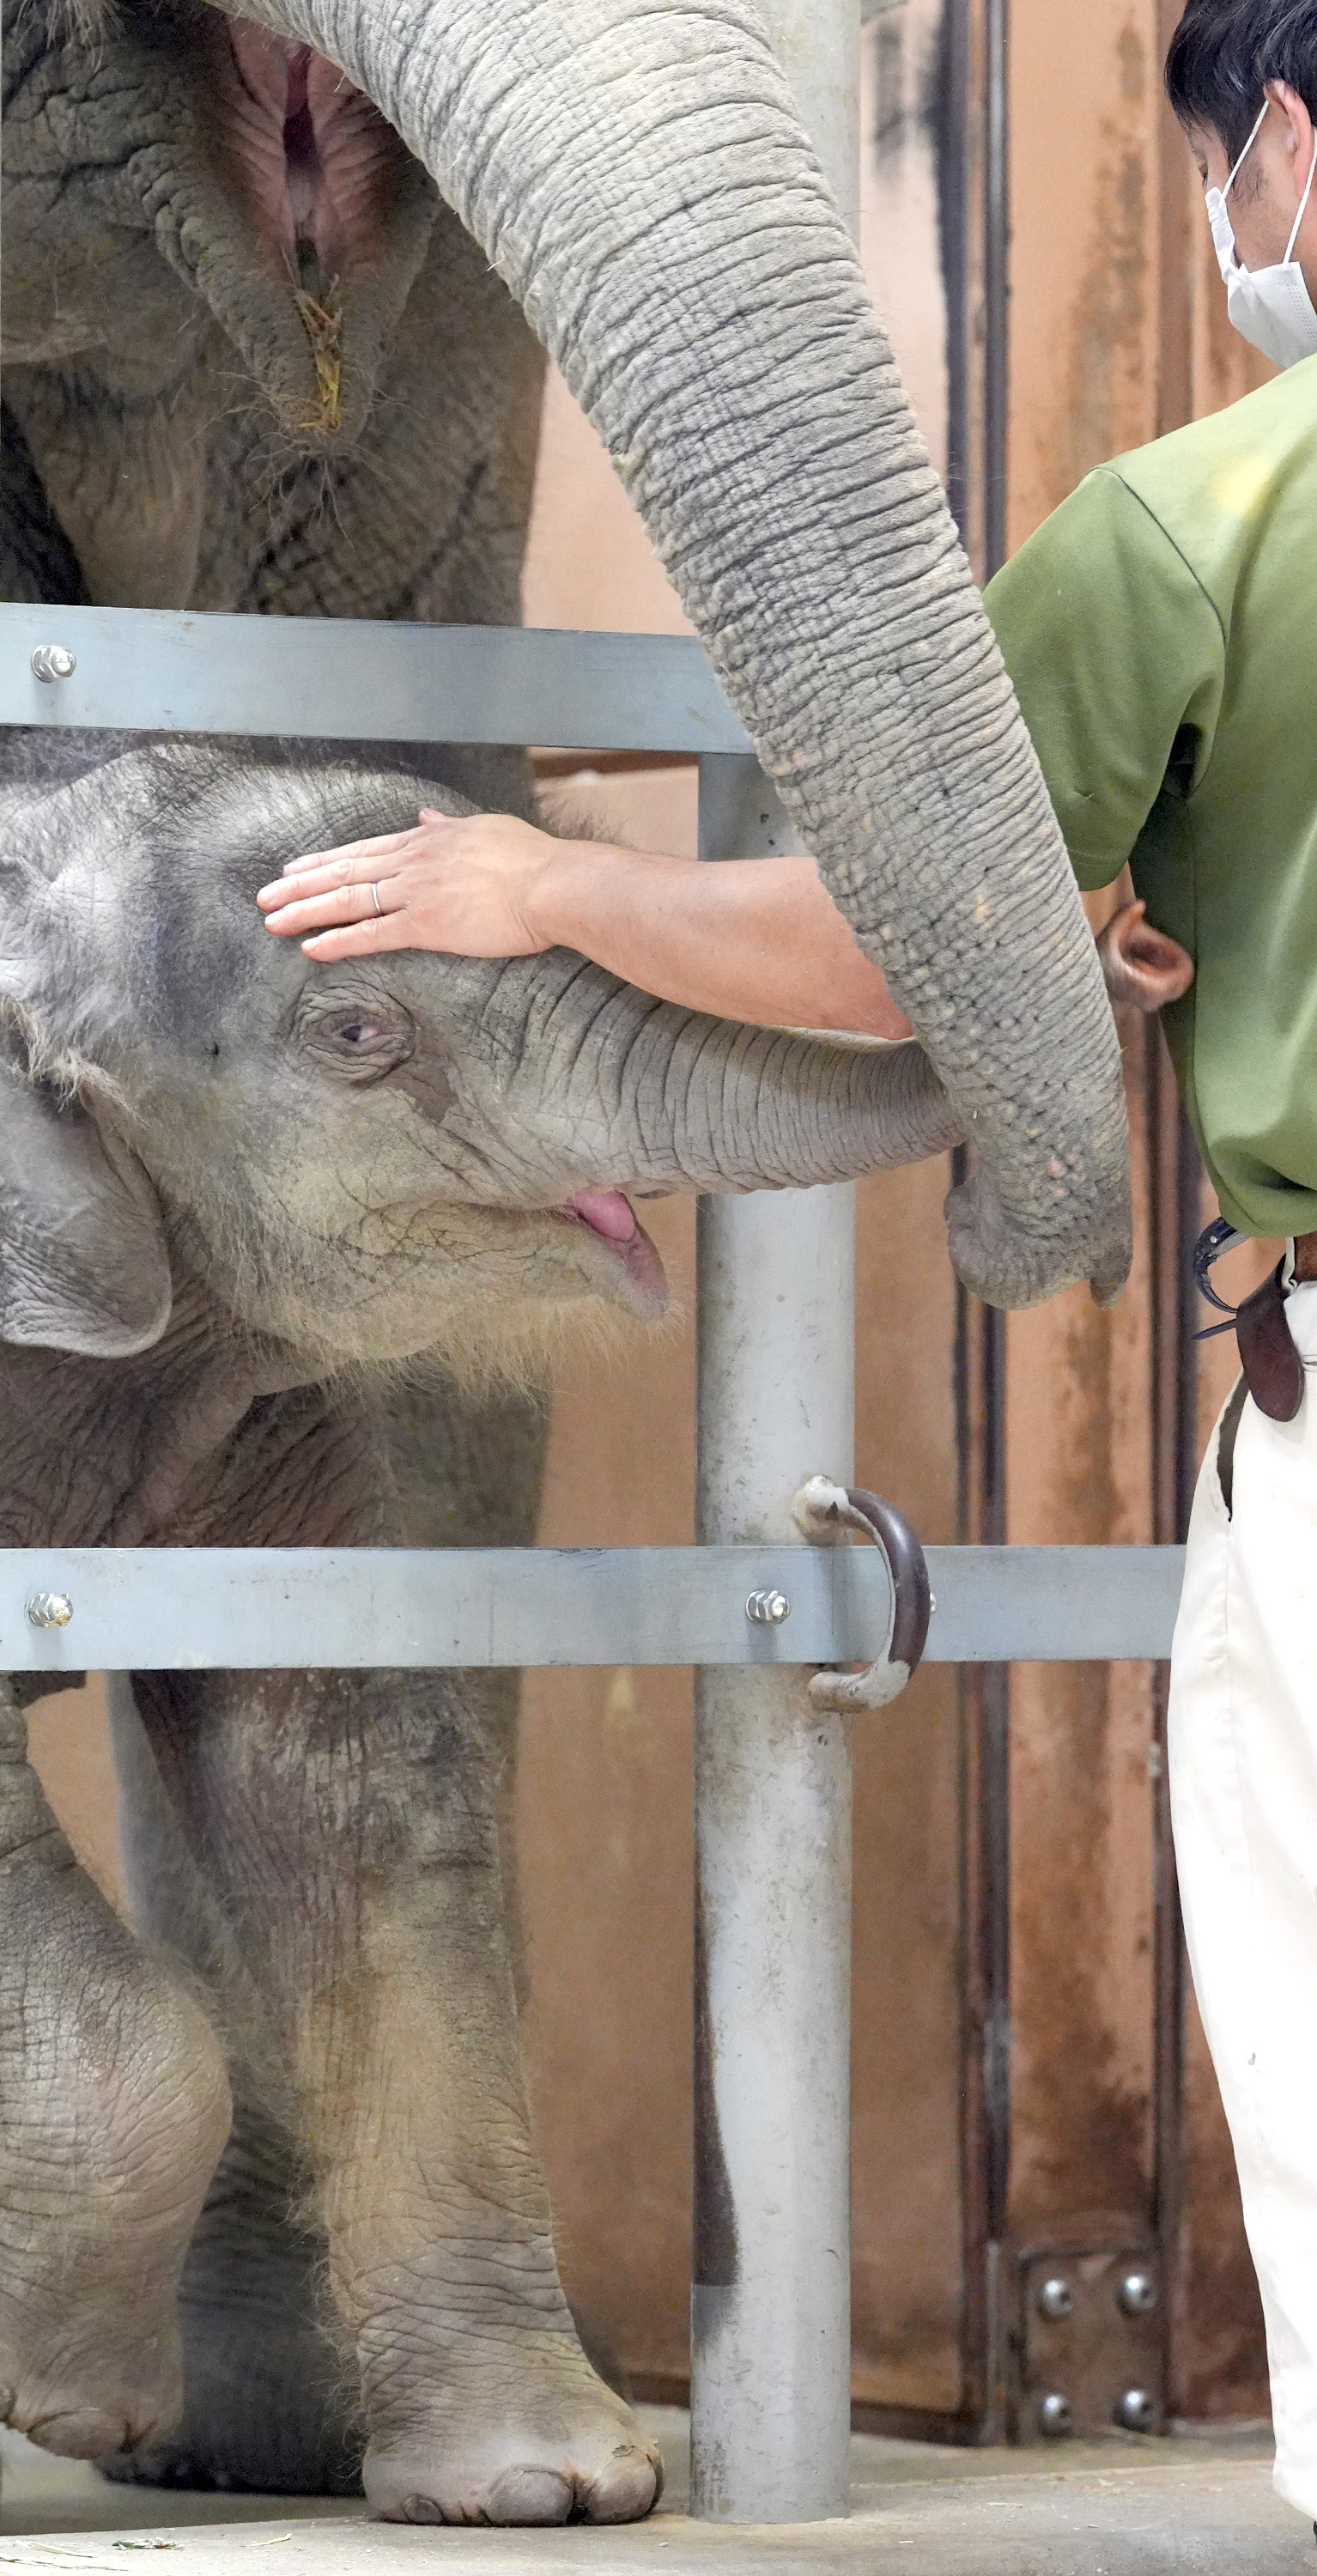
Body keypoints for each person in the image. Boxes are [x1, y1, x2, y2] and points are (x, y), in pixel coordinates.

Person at [262, 0, 1317, 2524]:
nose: (1234, 241)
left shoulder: (1218, 516)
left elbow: (895, 936)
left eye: (1232, 185)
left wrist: (550, 885)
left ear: (1286, 148)